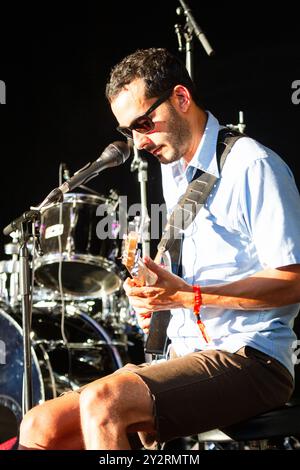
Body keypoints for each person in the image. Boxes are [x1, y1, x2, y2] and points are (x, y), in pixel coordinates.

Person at [19, 47, 300, 450]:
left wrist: (187, 296)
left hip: (253, 358)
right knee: (39, 426)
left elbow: (293, 281)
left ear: (181, 99)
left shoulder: (252, 165)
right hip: (186, 354)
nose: (138, 141)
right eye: (128, 131)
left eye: (145, 123)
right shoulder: (175, 170)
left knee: (105, 404)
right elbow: (198, 280)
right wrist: (158, 297)